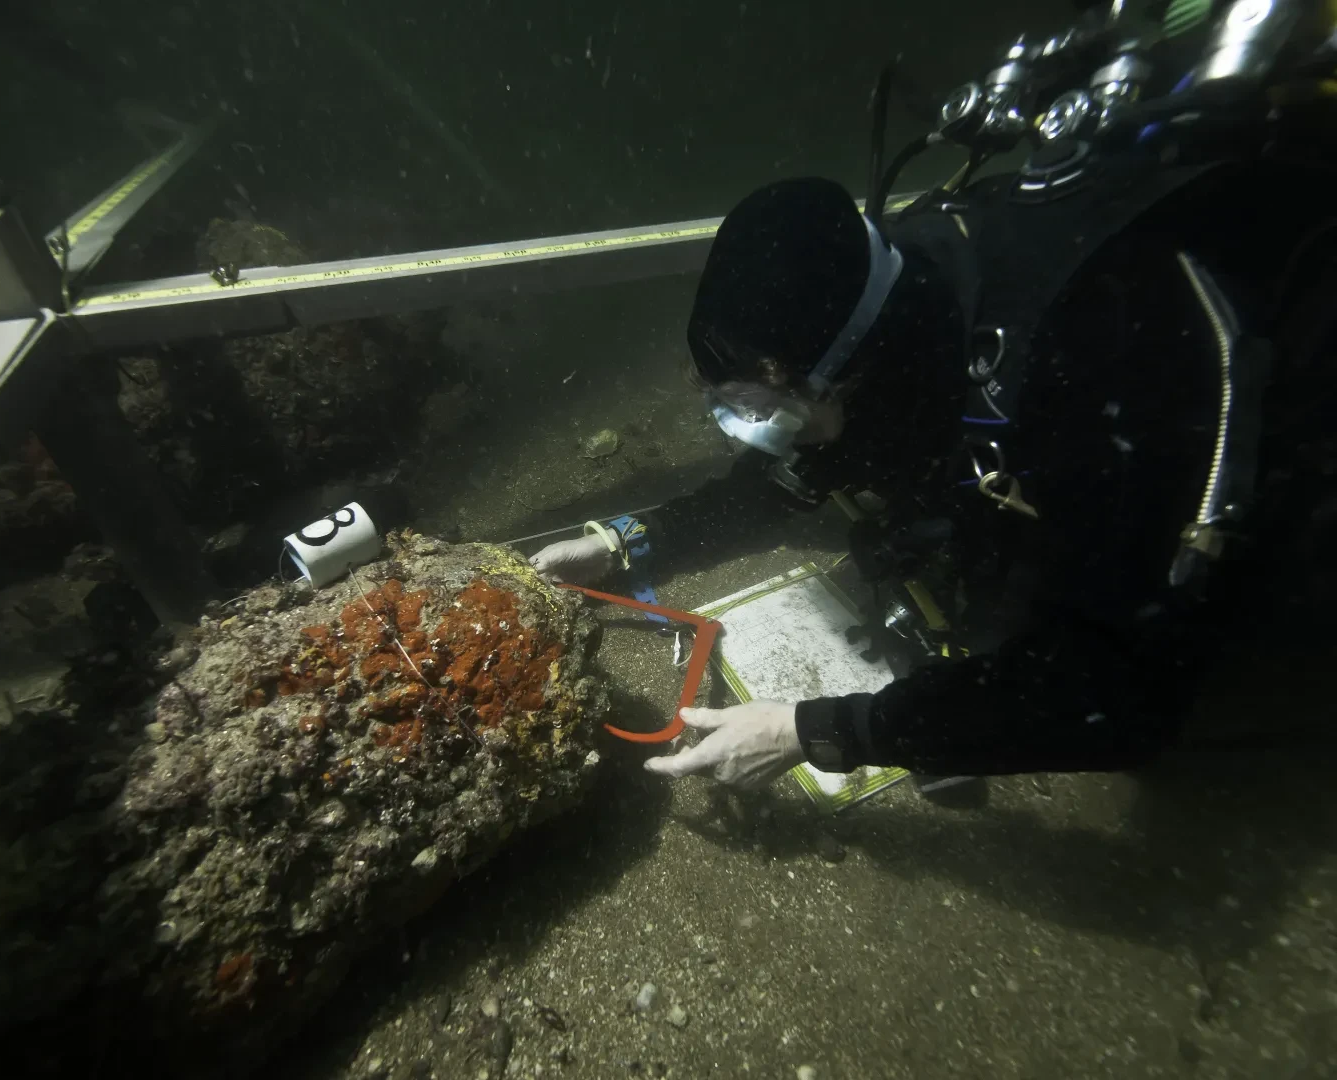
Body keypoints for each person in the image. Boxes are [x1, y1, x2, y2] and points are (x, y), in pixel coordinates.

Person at [530, 12, 1337, 790]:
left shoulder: (1082, 368)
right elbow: (798, 474)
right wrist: (626, 539)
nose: (762, 437)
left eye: (766, 409)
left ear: (848, 368)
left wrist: (812, 732)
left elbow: (1116, 701)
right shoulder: (891, 297)